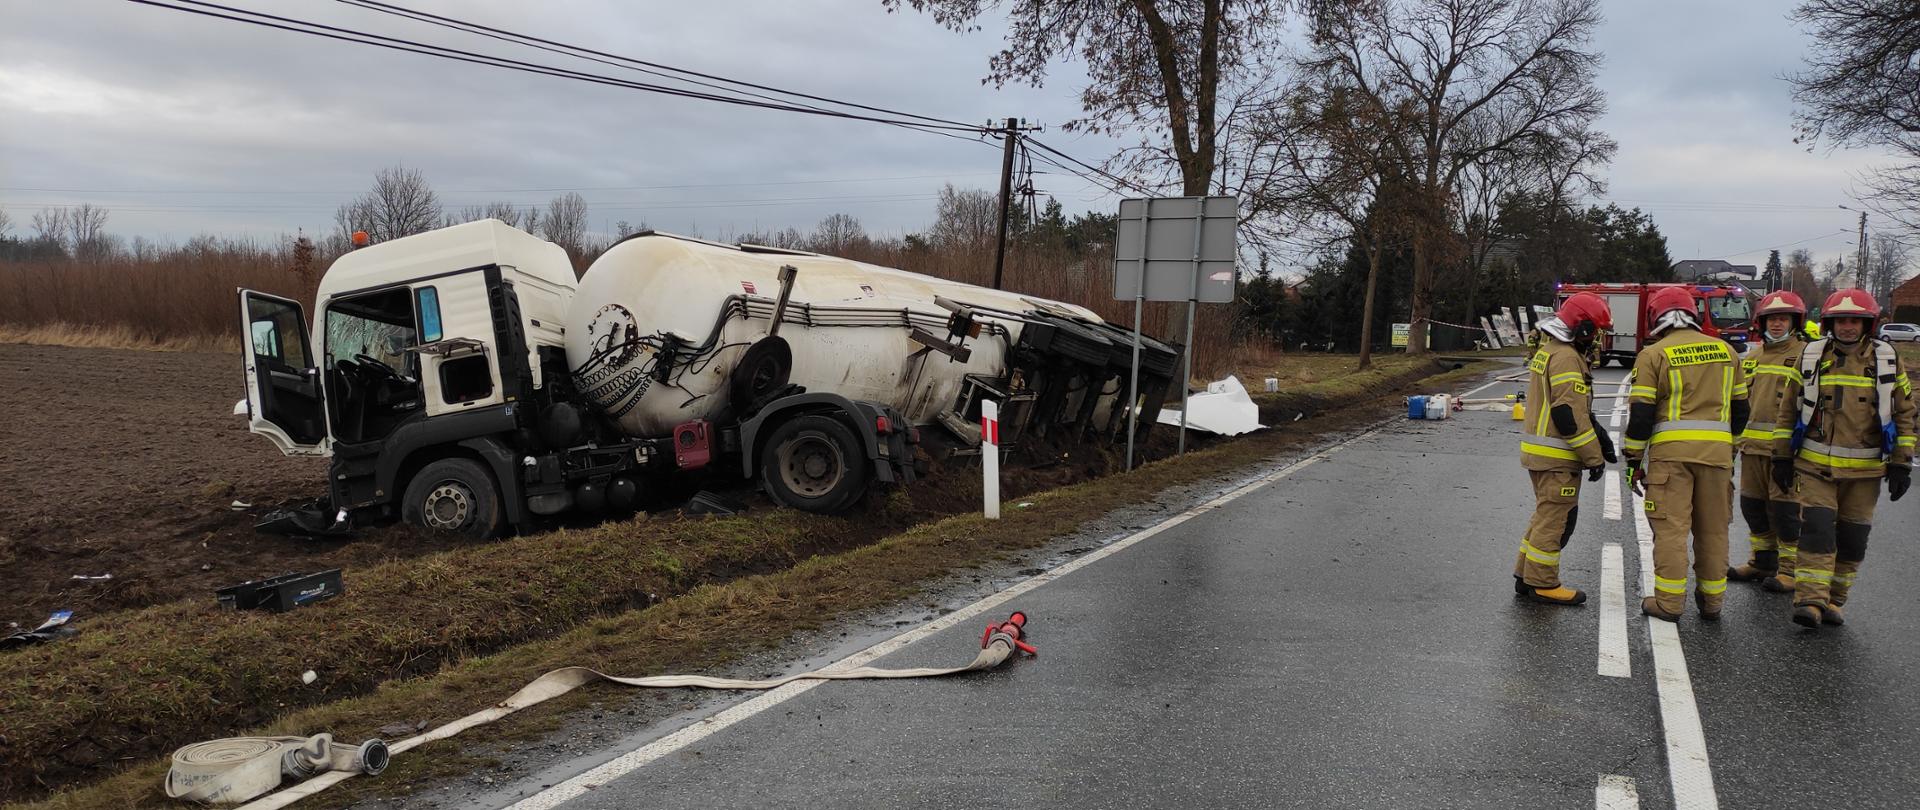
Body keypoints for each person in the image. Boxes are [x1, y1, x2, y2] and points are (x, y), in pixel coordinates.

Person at [1771, 288, 1917, 628]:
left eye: (1855, 320)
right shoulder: (1811, 357)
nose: (1848, 327)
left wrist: (1901, 462)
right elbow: (1786, 412)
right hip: (1814, 466)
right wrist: (1781, 457)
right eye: (1841, 320)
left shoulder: (1886, 359)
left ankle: (1835, 601)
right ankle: (1810, 600)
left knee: (1853, 540)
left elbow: (1905, 413)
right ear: (1829, 324)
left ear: (1868, 324)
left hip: (1865, 472)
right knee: (1817, 531)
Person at [1624, 287, 1749, 622]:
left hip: (1671, 460)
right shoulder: (1727, 352)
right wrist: (1731, 450)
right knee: (1714, 530)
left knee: (1671, 530)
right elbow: (1741, 411)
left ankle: (1668, 603)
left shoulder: (1654, 354)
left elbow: (1641, 415)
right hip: (1718, 458)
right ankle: (1712, 603)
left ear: (1656, 317)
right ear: (1692, 314)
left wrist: (1633, 462)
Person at [1513, 292, 1616, 606]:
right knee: (1555, 520)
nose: (1597, 338)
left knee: (1545, 514)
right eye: (1595, 331)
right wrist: (1594, 457)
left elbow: (1573, 407)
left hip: (1542, 453)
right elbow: (1567, 415)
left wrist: (1600, 436)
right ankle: (1543, 583)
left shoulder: (1551, 350)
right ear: (1582, 327)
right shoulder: (1568, 357)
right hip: (1558, 456)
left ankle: (1525, 574)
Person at [1726, 291, 1809, 591]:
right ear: (1762, 322)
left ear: (1794, 321)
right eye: (1772, 319)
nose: (1776, 324)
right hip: (1751, 450)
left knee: (1786, 512)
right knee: (1753, 507)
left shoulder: (1805, 356)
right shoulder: (1752, 357)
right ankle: (1762, 561)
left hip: (1787, 453)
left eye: (1782, 318)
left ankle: (1790, 570)